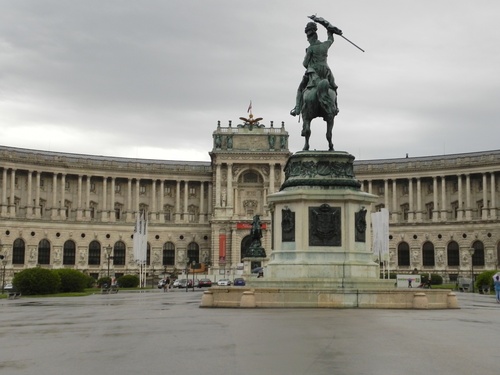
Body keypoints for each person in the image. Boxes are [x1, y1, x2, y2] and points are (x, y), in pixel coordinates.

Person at [291, 16, 342, 117]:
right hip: (326, 71)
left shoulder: (310, 48)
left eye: (308, 38)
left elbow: (305, 64)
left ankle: (297, 109)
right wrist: (330, 30)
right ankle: (335, 106)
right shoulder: (325, 45)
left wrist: (310, 64)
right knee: (333, 87)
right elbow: (331, 39)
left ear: (310, 37)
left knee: (300, 88)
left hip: (314, 72)